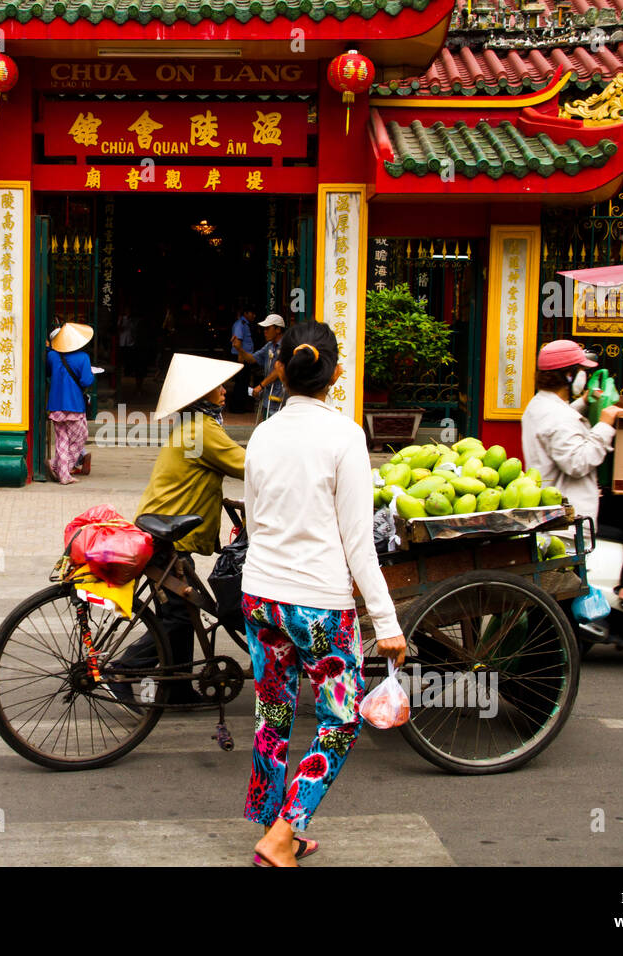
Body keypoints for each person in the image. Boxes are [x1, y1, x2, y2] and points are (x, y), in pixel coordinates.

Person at [241, 321, 406, 867]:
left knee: (272, 713)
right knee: (340, 719)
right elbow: (359, 544)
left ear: (280, 370)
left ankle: (277, 829)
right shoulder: (345, 436)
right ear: (336, 375)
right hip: (318, 605)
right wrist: (386, 623)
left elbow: (252, 520)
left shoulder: (262, 433)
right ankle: (282, 832)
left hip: (260, 595)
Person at [111, 353, 247, 703]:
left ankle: (176, 689)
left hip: (163, 526)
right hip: (169, 534)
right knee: (175, 617)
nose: (224, 391)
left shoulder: (194, 426)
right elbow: (250, 467)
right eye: (217, 387)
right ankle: (124, 669)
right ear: (201, 395)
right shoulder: (203, 430)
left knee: (183, 610)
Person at [520, 340, 619, 526]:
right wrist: (605, 425)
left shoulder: (539, 405)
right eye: (582, 370)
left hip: (551, 512)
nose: (585, 376)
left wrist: (583, 402)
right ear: (568, 375)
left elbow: (558, 429)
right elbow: (577, 463)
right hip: (567, 522)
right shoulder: (558, 415)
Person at [45, 322, 94, 484]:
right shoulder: (83, 358)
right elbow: (87, 380)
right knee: (81, 437)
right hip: (74, 404)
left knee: (62, 440)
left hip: (56, 404)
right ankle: (59, 467)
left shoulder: (52, 356)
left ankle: (63, 473)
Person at [232, 313, 288, 422]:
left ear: (278, 330)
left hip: (280, 396)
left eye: (268, 328)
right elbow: (252, 359)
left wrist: (261, 386)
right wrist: (239, 348)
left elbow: (278, 370)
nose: (264, 331)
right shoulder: (269, 346)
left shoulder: (286, 346)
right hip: (268, 396)